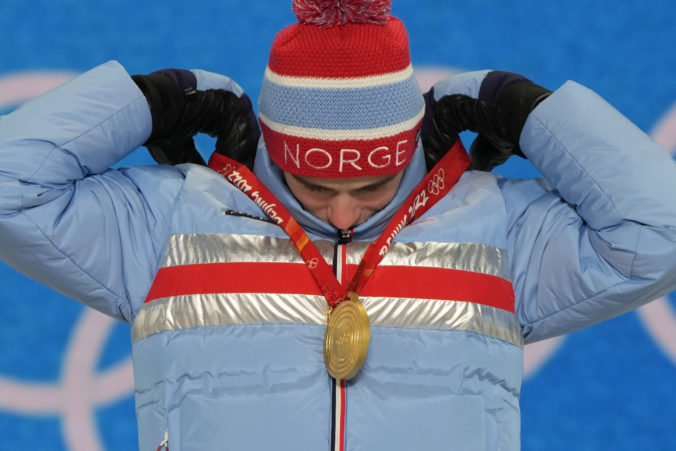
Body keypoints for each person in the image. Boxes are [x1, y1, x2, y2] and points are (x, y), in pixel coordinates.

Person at [1, 1, 676, 450]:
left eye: (374, 183)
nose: (345, 212)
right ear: (275, 147)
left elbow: (658, 232)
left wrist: (525, 111)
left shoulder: (497, 227)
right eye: (315, 184)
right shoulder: (169, 218)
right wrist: (152, 100)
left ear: (409, 148)